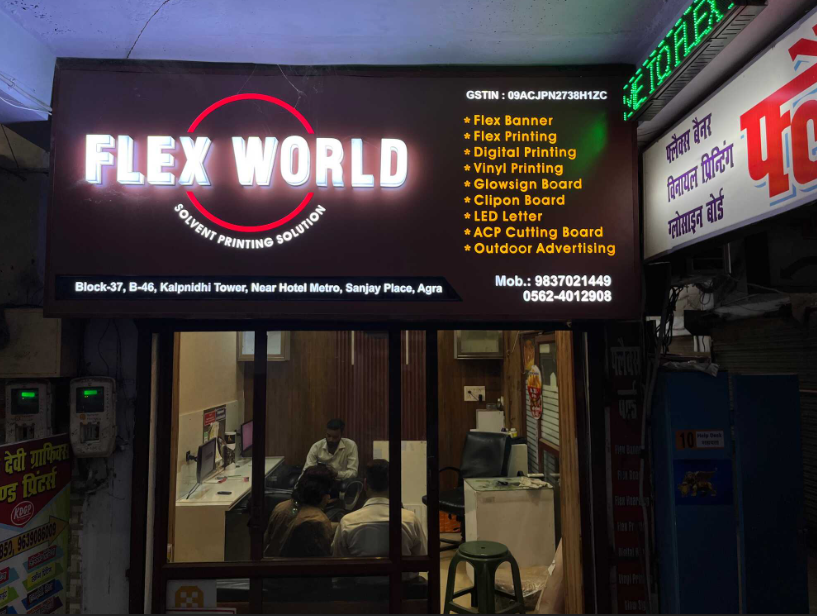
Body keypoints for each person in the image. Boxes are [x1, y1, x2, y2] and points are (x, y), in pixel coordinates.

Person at [332, 459, 427, 579]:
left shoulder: (347, 522)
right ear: (393, 485)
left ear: (365, 485)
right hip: (402, 586)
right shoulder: (410, 519)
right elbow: (422, 559)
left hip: (360, 587)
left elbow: (338, 560)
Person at [264, 465, 336, 558]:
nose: (329, 497)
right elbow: (324, 559)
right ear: (322, 493)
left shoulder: (281, 507)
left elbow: (268, 541)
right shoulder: (319, 521)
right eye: (328, 492)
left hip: (272, 563)